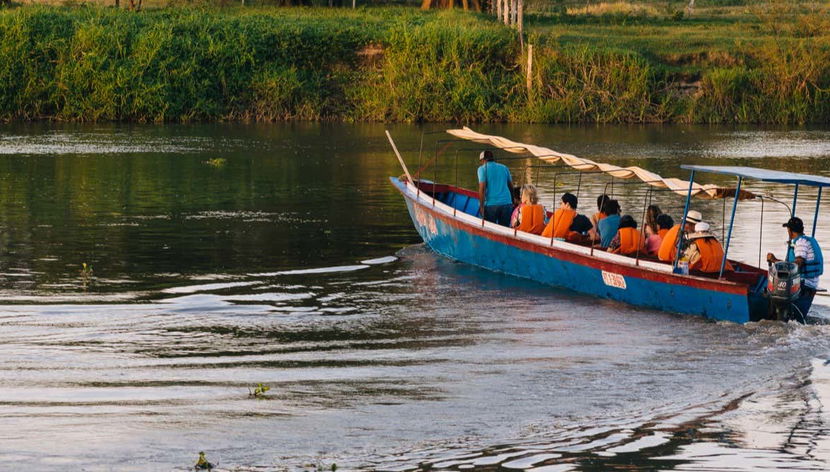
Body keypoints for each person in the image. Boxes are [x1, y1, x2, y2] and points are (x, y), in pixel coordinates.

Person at [767, 217, 824, 317]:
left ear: (790, 231)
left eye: (788, 229)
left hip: (805, 284)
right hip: (811, 284)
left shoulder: (801, 243)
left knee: (768, 288)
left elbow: (798, 263)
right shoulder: (809, 240)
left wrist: (774, 261)